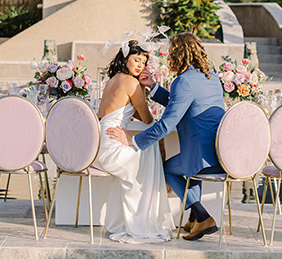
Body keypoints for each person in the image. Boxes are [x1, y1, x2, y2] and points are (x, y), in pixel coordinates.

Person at [107, 32, 225, 241]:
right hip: (220, 152)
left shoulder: (183, 81)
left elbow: (166, 125)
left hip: (202, 155)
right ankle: (193, 219)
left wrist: (133, 140)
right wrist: (153, 87)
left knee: (168, 170)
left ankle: (202, 216)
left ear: (180, 54)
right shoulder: (210, 76)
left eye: (171, 53)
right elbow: (180, 102)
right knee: (188, 169)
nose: (168, 58)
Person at [94, 40, 174, 243]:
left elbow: (124, 112)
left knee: (147, 149)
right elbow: (147, 119)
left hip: (101, 143)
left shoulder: (114, 79)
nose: (140, 65)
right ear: (125, 58)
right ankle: (142, 224)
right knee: (149, 152)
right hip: (111, 146)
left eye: (144, 62)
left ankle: (128, 221)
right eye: (136, 60)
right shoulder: (132, 83)